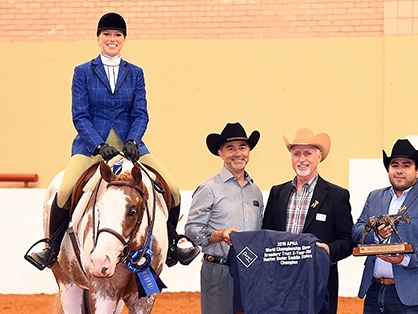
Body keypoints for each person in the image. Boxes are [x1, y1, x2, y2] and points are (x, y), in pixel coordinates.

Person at [25, 12, 199, 270]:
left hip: (131, 146)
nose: (112, 38)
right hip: (91, 146)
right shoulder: (83, 72)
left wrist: (132, 140)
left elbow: (141, 113)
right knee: (64, 192)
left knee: (172, 187)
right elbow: (80, 115)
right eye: (107, 34)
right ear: (98, 38)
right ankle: (51, 245)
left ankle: (173, 243)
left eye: (117, 34)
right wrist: (98, 146)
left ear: (124, 39)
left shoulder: (136, 73)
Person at [262, 127, 354, 314]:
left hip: (318, 283)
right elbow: (266, 235)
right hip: (281, 284)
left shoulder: (337, 196)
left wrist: (328, 250)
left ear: (319, 157)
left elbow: (348, 241)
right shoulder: (277, 193)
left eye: (308, 153)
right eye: (296, 154)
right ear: (291, 157)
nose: (301, 159)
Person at [352, 139, 418, 314]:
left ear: (417, 171)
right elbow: (357, 229)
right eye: (394, 165)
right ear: (389, 169)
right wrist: (376, 235)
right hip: (374, 290)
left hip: (413, 294)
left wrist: (406, 259)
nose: (399, 170)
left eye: (406, 165)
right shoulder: (374, 197)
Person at [185, 122, 264, 314]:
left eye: (242, 147)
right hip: (219, 271)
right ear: (221, 153)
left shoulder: (256, 191)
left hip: (251, 271)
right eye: (230, 148)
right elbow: (192, 231)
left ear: (249, 151)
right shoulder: (208, 189)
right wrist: (220, 234)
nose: (238, 153)